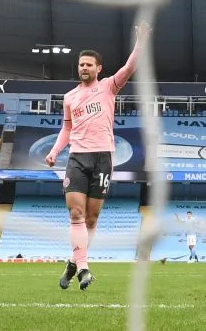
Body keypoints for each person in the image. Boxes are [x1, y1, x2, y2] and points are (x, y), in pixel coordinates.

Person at [46, 22, 150, 290]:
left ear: (98, 68)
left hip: (103, 157)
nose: (84, 68)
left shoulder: (108, 87)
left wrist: (140, 42)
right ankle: (84, 268)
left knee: (91, 219)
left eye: (89, 64)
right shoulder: (69, 97)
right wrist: (55, 151)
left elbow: (129, 68)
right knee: (76, 214)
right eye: (81, 64)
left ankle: (73, 263)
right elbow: (67, 128)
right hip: (77, 158)